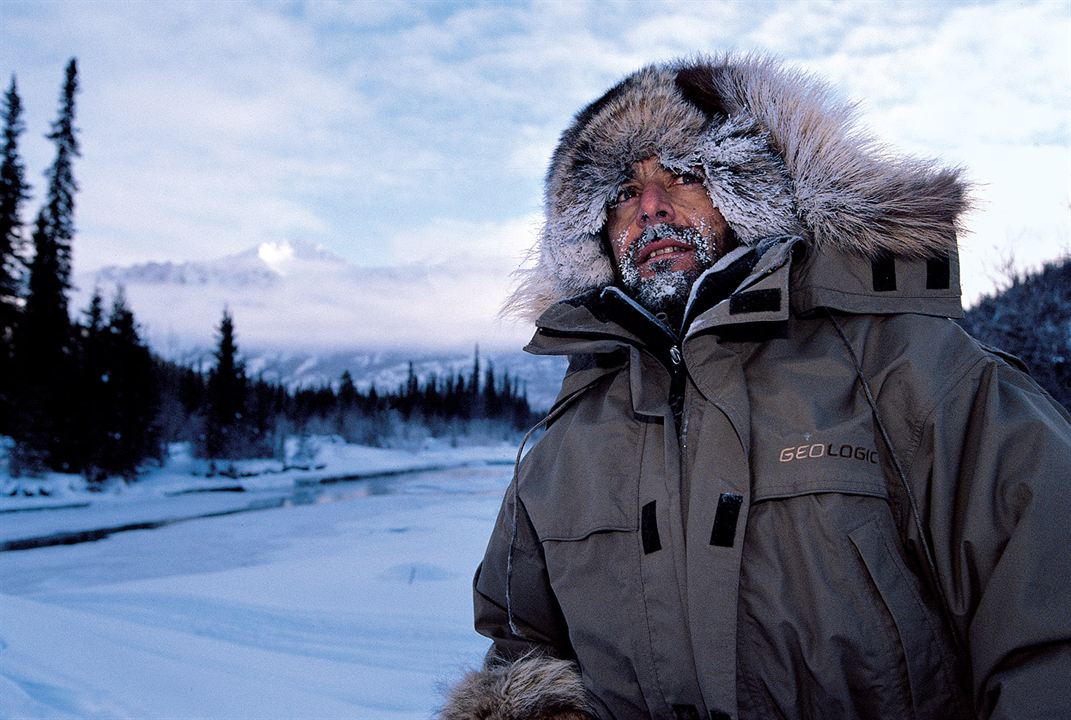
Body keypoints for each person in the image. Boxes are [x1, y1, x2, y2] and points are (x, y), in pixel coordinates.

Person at [440, 55, 1071, 720]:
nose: (650, 207)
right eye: (622, 193)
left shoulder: (907, 367)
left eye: (682, 175)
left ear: (748, 192)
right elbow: (520, 648)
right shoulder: (563, 442)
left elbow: (1049, 625)